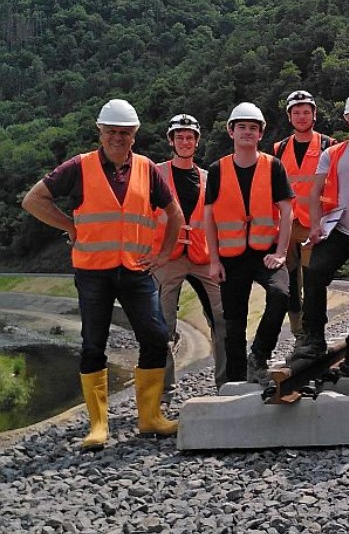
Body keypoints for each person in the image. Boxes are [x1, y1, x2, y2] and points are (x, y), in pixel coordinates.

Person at [22, 99, 183, 450]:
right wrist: (69, 226)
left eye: (124, 133)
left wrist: (163, 253)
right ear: (100, 132)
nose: (117, 138)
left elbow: (175, 214)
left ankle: (150, 416)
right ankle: (98, 425)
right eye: (111, 132)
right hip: (93, 271)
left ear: (134, 136)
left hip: (137, 270)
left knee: (155, 336)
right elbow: (34, 200)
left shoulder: (146, 169)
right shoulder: (78, 167)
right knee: (93, 344)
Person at [289, 91, 349, 382]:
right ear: (347, 120)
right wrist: (315, 225)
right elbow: (315, 193)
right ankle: (313, 336)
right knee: (315, 272)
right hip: (339, 228)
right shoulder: (333, 153)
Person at [203, 102, 293, 387]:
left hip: (265, 252)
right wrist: (214, 260)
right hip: (231, 257)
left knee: (280, 294)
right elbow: (209, 217)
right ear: (231, 131)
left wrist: (280, 253)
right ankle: (236, 380)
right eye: (241, 127)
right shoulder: (218, 169)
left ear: (260, 134)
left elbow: (287, 210)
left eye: (253, 128)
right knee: (234, 322)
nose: (247, 132)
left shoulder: (273, 166)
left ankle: (260, 355)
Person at [151, 114, 227, 398]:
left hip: (203, 257)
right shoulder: (155, 174)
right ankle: (165, 388)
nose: (185, 142)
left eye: (189, 137)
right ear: (171, 140)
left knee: (222, 319)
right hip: (167, 257)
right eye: (179, 137)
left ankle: (226, 382)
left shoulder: (208, 178)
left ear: (196, 142)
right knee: (162, 325)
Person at [273, 90, 336, 337]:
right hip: (288, 224)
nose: (301, 117)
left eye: (306, 112)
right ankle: (299, 331)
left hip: (316, 225)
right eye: (296, 112)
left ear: (314, 115)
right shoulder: (280, 148)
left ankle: (314, 329)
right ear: (289, 117)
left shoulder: (328, 146)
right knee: (290, 281)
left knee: (313, 279)